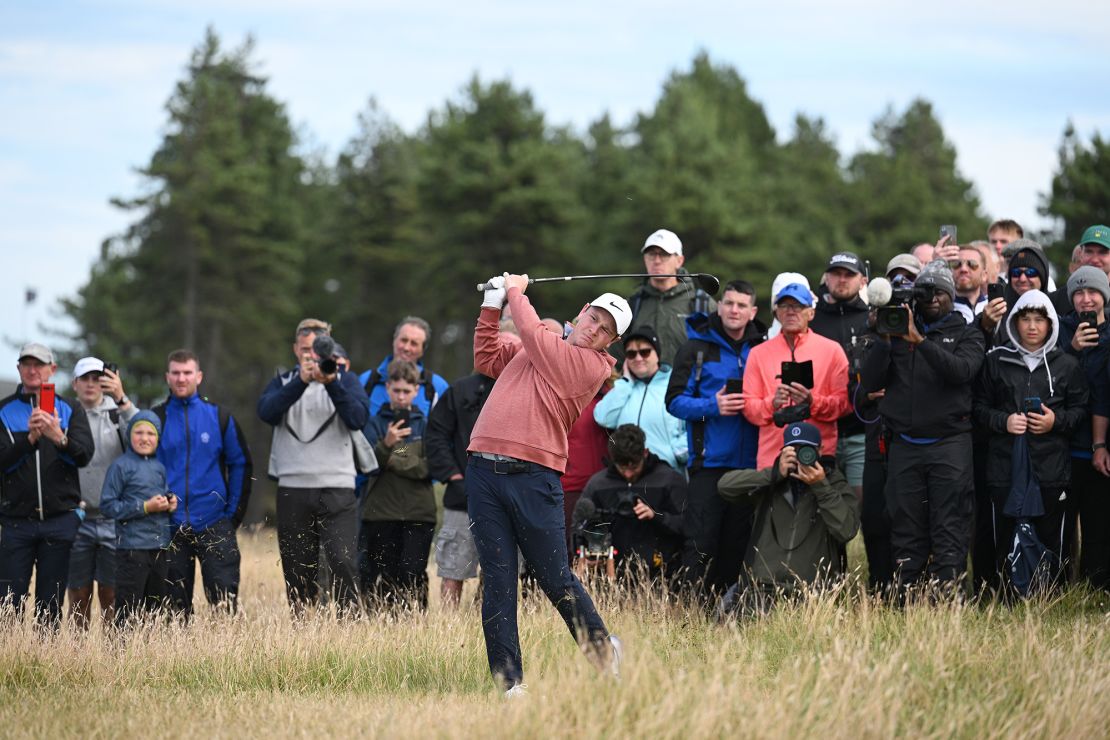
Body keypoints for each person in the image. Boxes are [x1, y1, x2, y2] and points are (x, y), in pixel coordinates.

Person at [467, 274, 627, 695]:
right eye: (594, 318)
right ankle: (509, 684)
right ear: (582, 313)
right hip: (484, 469)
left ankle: (601, 650)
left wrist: (516, 291)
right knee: (498, 580)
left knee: (554, 576)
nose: (595, 329)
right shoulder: (536, 349)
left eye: (605, 330)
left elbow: (533, 335)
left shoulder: (589, 366)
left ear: (608, 344)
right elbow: (486, 357)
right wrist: (490, 303)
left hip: (535, 477)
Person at [860, 261, 985, 592]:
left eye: (940, 292)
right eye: (925, 292)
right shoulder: (895, 333)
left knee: (950, 529)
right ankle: (908, 604)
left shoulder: (967, 333)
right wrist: (885, 340)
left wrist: (920, 341)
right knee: (906, 530)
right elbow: (869, 382)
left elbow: (961, 371)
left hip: (950, 446)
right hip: (905, 446)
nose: (932, 298)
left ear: (951, 295)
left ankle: (949, 605)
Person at [973, 290, 1087, 593]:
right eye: (1026, 319)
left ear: (1051, 324)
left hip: (1051, 468)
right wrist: (1004, 421)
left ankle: (1053, 598)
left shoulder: (1066, 365)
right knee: (1005, 534)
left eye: (1040, 319)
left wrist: (1054, 422)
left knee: (1053, 536)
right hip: (1004, 468)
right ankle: (1005, 596)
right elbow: (978, 408)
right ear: (1015, 322)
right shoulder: (996, 360)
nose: (1033, 326)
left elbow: (1080, 410)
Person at [258, 318, 370, 616]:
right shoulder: (283, 382)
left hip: (337, 487)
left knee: (342, 560)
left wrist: (331, 382)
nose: (311, 355)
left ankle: (350, 627)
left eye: (318, 349)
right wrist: (301, 381)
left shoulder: (345, 381)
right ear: (296, 349)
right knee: (297, 564)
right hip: (293, 487)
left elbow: (358, 418)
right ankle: (304, 626)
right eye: (306, 349)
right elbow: (266, 412)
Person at [666, 280, 766, 599]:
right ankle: (692, 613)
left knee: (737, 544)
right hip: (707, 463)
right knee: (700, 541)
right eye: (729, 303)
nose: (734, 310)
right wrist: (713, 406)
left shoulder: (762, 350)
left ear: (753, 312)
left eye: (741, 305)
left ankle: (727, 611)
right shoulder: (695, 348)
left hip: (750, 466)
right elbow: (674, 402)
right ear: (719, 306)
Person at [717, 421, 859, 617]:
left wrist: (821, 486)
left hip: (811, 594)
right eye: (794, 449)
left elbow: (847, 530)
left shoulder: (834, 484)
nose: (801, 456)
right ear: (783, 452)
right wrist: (774, 474)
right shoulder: (772, 484)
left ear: (820, 450)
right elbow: (724, 486)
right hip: (762, 589)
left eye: (806, 450)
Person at [0, 343, 93, 629]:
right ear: (18, 370)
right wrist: (28, 441)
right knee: (8, 602)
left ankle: (45, 662)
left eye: (39, 364)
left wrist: (58, 437)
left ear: (51, 370)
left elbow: (83, 455)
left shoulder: (69, 408)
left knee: (49, 604)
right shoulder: (3, 411)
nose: (32, 370)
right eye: (26, 364)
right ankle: (11, 660)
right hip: (16, 522)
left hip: (59, 520)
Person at [153, 349, 252, 617]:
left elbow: (241, 464)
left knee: (224, 604)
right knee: (172, 611)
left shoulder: (219, 416)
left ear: (199, 376)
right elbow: (144, 469)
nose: (181, 378)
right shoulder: (155, 419)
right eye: (176, 372)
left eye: (187, 373)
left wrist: (231, 515)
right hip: (170, 525)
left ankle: (225, 657)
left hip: (214, 521)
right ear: (167, 377)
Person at [742, 279, 850, 471]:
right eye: (784, 305)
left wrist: (812, 401)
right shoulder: (758, 353)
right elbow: (749, 408)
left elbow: (845, 404)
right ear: (776, 312)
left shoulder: (832, 350)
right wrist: (772, 403)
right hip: (772, 457)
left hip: (818, 454)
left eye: (798, 306)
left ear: (811, 312)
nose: (791, 311)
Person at [67, 357, 137, 629]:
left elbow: (145, 435)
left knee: (111, 593)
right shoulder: (65, 414)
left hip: (113, 519)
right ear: (74, 383)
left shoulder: (118, 413)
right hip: (76, 518)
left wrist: (121, 397)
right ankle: (78, 660)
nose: (91, 384)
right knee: (78, 594)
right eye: (84, 379)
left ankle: (111, 660)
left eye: (97, 378)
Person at [360, 360, 435, 611]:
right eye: (396, 390)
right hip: (381, 514)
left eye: (407, 391)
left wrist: (394, 456)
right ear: (388, 388)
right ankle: (385, 629)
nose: (401, 396)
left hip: (418, 514)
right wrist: (386, 443)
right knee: (384, 575)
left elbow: (431, 466)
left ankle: (416, 626)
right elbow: (367, 464)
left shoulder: (426, 425)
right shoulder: (374, 423)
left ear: (416, 391)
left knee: (413, 573)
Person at [572, 424, 687, 586]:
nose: (628, 474)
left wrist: (656, 516)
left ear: (645, 453)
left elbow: (689, 526)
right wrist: (587, 553)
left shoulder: (669, 480)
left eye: (633, 467)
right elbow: (578, 525)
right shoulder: (598, 484)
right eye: (622, 468)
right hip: (609, 578)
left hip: (661, 576)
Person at [426, 368, 498, 608]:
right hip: (461, 497)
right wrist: (452, 475)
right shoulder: (460, 388)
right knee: (453, 569)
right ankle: (449, 631)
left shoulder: (523, 386)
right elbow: (435, 434)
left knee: (499, 572)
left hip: (505, 499)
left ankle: (488, 624)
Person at [1057, 266, 1110, 588]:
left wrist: (1100, 444)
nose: (1086, 300)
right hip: (1064, 446)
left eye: (1092, 292)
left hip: (1099, 449)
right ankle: (1060, 587)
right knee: (1061, 528)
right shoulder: (1060, 331)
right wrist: (1072, 349)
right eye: (1078, 293)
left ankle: (1097, 587)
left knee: (1099, 526)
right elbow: (1048, 376)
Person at [99, 411, 177, 626]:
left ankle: (151, 654)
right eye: (139, 432)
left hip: (160, 547)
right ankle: (123, 654)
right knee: (129, 609)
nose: (145, 438)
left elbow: (162, 495)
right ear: (129, 435)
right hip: (131, 550)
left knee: (156, 609)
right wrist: (144, 507)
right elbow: (107, 506)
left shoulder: (159, 467)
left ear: (158, 438)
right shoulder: (120, 466)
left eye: (151, 433)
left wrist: (170, 504)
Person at [810, 251, 871, 499]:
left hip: (861, 430)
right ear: (826, 277)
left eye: (849, 274)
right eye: (836, 274)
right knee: (822, 512)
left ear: (863, 281)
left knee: (862, 508)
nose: (842, 280)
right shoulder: (811, 318)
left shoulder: (872, 319)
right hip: (820, 430)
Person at [594, 325, 686, 470]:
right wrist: (626, 383)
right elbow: (603, 418)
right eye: (631, 354)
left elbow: (692, 427)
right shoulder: (623, 388)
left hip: (666, 472)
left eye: (644, 352)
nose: (638, 358)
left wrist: (675, 454)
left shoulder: (675, 384)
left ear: (657, 354)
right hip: (627, 474)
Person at [619, 228, 715, 366]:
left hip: (689, 386)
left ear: (679, 260)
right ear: (645, 259)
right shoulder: (633, 304)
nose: (657, 261)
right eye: (651, 254)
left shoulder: (702, 303)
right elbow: (617, 356)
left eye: (664, 254)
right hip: (643, 386)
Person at [359, 316, 449, 416]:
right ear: (394, 341)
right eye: (403, 340)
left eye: (414, 344)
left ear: (423, 350)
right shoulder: (366, 380)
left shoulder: (437, 387)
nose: (406, 348)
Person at [950, 247, 987, 324]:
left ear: (984, 275)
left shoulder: (994, 307)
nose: (963, 269)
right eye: (957, 264)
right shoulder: (942, 309)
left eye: (972, 264)